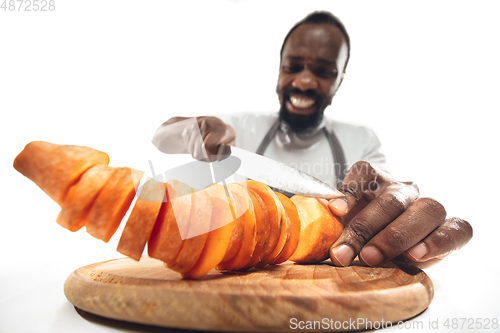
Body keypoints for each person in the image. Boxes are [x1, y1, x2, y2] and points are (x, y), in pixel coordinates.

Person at [152, 11, 472, 269]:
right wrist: (193, 130)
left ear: (339, 79)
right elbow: (161, 139)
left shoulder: (361, 140)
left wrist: (401, 220)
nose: (304, 81)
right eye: (293, 67)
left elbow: (386, 204)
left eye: (323, 71)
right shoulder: (239, 129)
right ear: (279, 68)